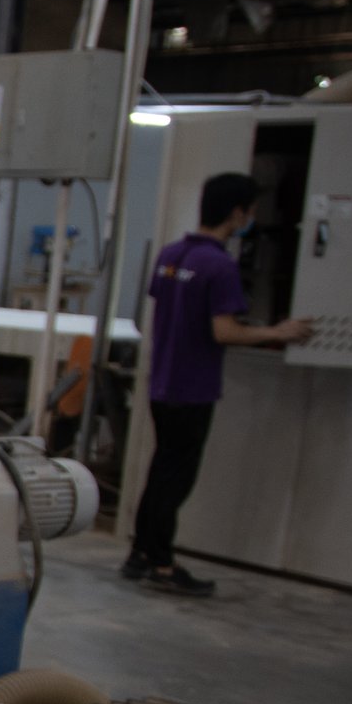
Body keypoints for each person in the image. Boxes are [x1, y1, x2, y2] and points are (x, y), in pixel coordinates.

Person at [126, 171, 312, 594]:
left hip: (162, 380)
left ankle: (141, 553)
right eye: (251, 211)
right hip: (193, 387)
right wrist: (277, 332)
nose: (251, 218)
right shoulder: (220, 265)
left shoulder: (172, 254)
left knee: (161, 469)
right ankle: (163, 565)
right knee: (176, 477)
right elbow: (223, 331)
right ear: (237, 213)